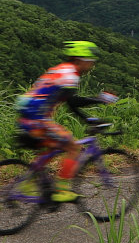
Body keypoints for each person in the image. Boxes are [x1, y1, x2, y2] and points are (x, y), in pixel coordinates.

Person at [15, 41, 117, 203]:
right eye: (90, 61)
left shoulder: (61, 70)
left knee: (52, 147)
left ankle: (28, 183)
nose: (92, 65)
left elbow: (70, 104)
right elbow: (74, 102)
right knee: (74, 147)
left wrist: (87, 119)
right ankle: (62, 189)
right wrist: (99, 100)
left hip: (28, 117)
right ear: (79, 60)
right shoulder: (70, 76)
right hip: (37, 120)